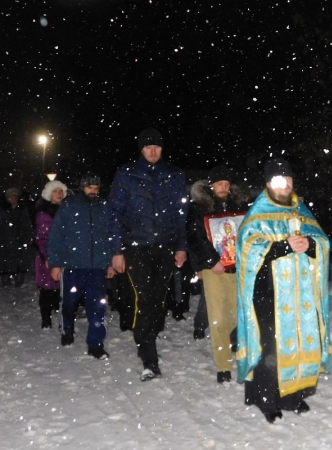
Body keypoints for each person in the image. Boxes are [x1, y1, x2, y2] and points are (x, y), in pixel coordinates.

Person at [236, 157, 331, 423]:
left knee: (298, 342)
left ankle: (292, 396)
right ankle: (267, 400)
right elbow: (249, 250)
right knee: (271, 349)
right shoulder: (257, 214)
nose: (285, 184)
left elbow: (322, 242)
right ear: (268, 184)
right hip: (267, 294)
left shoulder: (302, 211)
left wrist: (310, 246)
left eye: (288, 179)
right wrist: (283, 246)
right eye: (279, 179)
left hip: (301, 295)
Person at [108, 127, 188, 381]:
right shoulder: (126, 174)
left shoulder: (174, 175)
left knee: (158, 298)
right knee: (143, 298)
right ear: (141, 149)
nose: (152, 151)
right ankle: (149, 358)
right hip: (137, 247)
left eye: (156, 146)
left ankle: (149, 337)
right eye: (147, 146)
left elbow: (181, 215)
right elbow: (114, 216)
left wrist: (181, 246)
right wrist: (117, 251)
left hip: (164, 246)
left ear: (162, 148)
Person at [187, 165, 246, 383]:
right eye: (219, 183)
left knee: (235, 314)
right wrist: (211, 262)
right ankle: (223, 365)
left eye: (226, 184)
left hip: (237, 268)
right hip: (214, 269)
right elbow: (195, 238)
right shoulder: (199, 207)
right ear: (211, 185)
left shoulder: (238, 206)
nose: (223, 187)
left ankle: (233, 345)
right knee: (217, 317)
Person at [48, 173, 114, 359]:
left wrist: (109, 262)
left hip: (97, 267)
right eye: (89, 187)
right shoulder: (69, 206)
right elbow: (56, 236)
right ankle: (67, 330)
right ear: (82, 187)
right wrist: (55, 263)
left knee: (97, 307)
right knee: (69, 303)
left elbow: (109, 236)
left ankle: (95, 344)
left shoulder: (103, 207)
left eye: (96, 188)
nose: (93, 191)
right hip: (73, 265)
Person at [34, 180, 68, 328]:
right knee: (47, 288)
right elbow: (42, 238)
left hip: (65, 255)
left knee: (61, 288)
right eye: (55, 191)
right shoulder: (44, 213)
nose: (59, 194)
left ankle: (59, 313)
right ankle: (46, 319)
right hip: (48, 256)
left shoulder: (66, 210)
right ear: (49, 194)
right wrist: (48, 256)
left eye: (61, 191)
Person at [0, 187, 34, 287]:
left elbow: (27, 224)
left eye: (15, 196)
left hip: (19, 239)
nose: (13, 198)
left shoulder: (21, 209)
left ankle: (18, 280)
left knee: (19, 261)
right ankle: (5, 280)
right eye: (11, 196)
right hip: (4, 239)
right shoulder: (2, 210)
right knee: (5, 261)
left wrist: (29, 236)